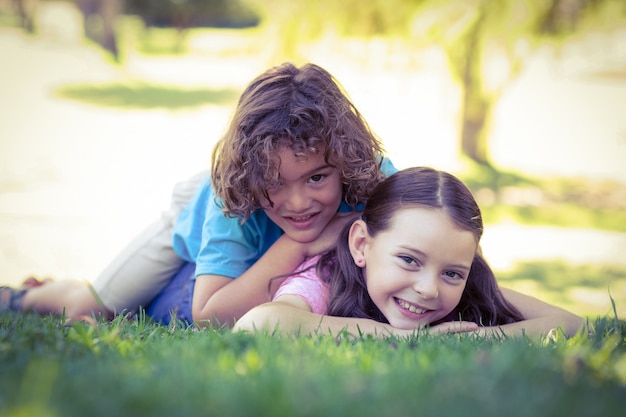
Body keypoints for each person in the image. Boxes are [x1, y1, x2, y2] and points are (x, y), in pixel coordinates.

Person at [0, 62, 397, 326]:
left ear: (345, 161)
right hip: (188, 223)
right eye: (275, 183)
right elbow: (207, 314)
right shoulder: (234, 196)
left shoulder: (370, 174)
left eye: (316, 178)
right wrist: (302, 244)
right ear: (253, 175)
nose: (297, 203)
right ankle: (22, 298)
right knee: (97, 306)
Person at [233, 167, 584, 338]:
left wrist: (466, 342)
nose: (429, 289)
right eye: (409, 260)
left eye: (451, 273)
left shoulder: (466, 283)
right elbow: (256, 324)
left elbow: (576, 326)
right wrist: (396, 338)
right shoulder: (326, 276)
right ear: (361, 245)